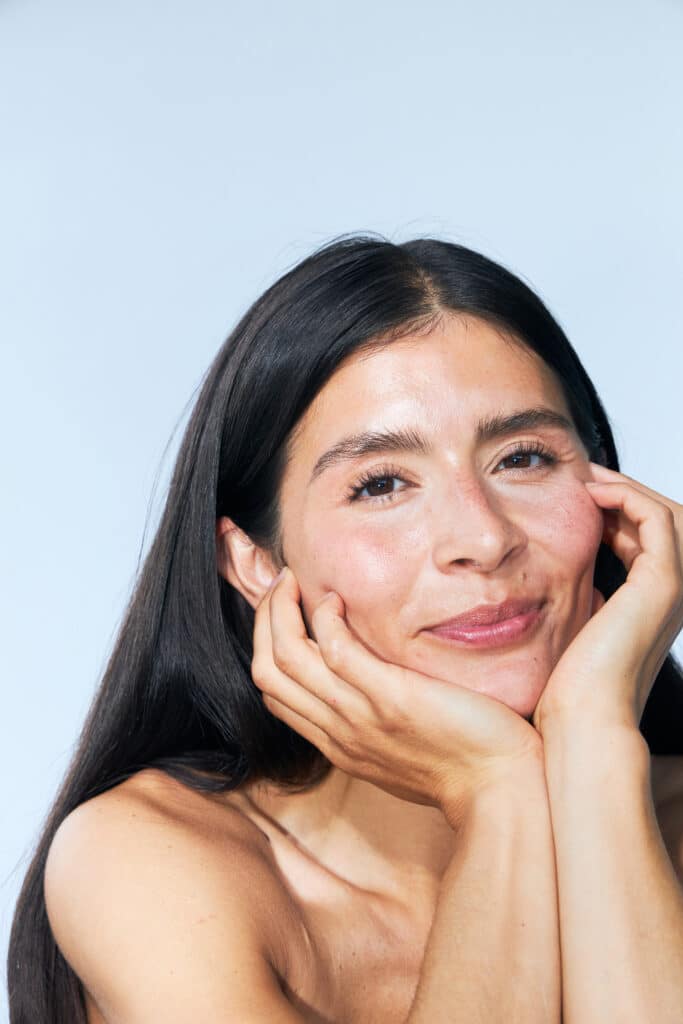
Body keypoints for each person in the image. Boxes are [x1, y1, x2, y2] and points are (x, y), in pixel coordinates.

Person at [8, 234, 683, 1023]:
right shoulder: (153, 862)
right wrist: (495, 788)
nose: (482, 537)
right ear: (257, 563)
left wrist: (594, 747)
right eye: (381, 484)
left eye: (522, 458)